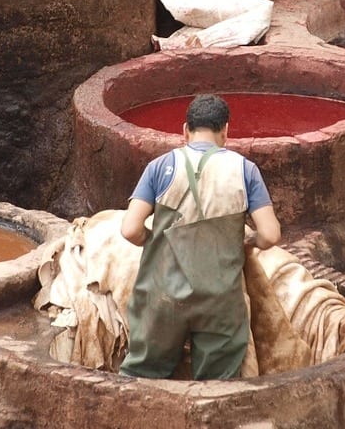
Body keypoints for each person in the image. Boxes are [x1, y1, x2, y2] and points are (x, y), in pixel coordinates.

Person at [119, 93, 281, 380]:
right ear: (226, 131)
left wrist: (157, 240)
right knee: (216, 389)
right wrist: (249, 242)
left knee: (141, 380)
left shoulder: (159, 167)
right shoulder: (245, 170)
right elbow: (270, 235)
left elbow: (130, 229)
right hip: (220, 302)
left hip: (162, 299)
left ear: (185, 130)